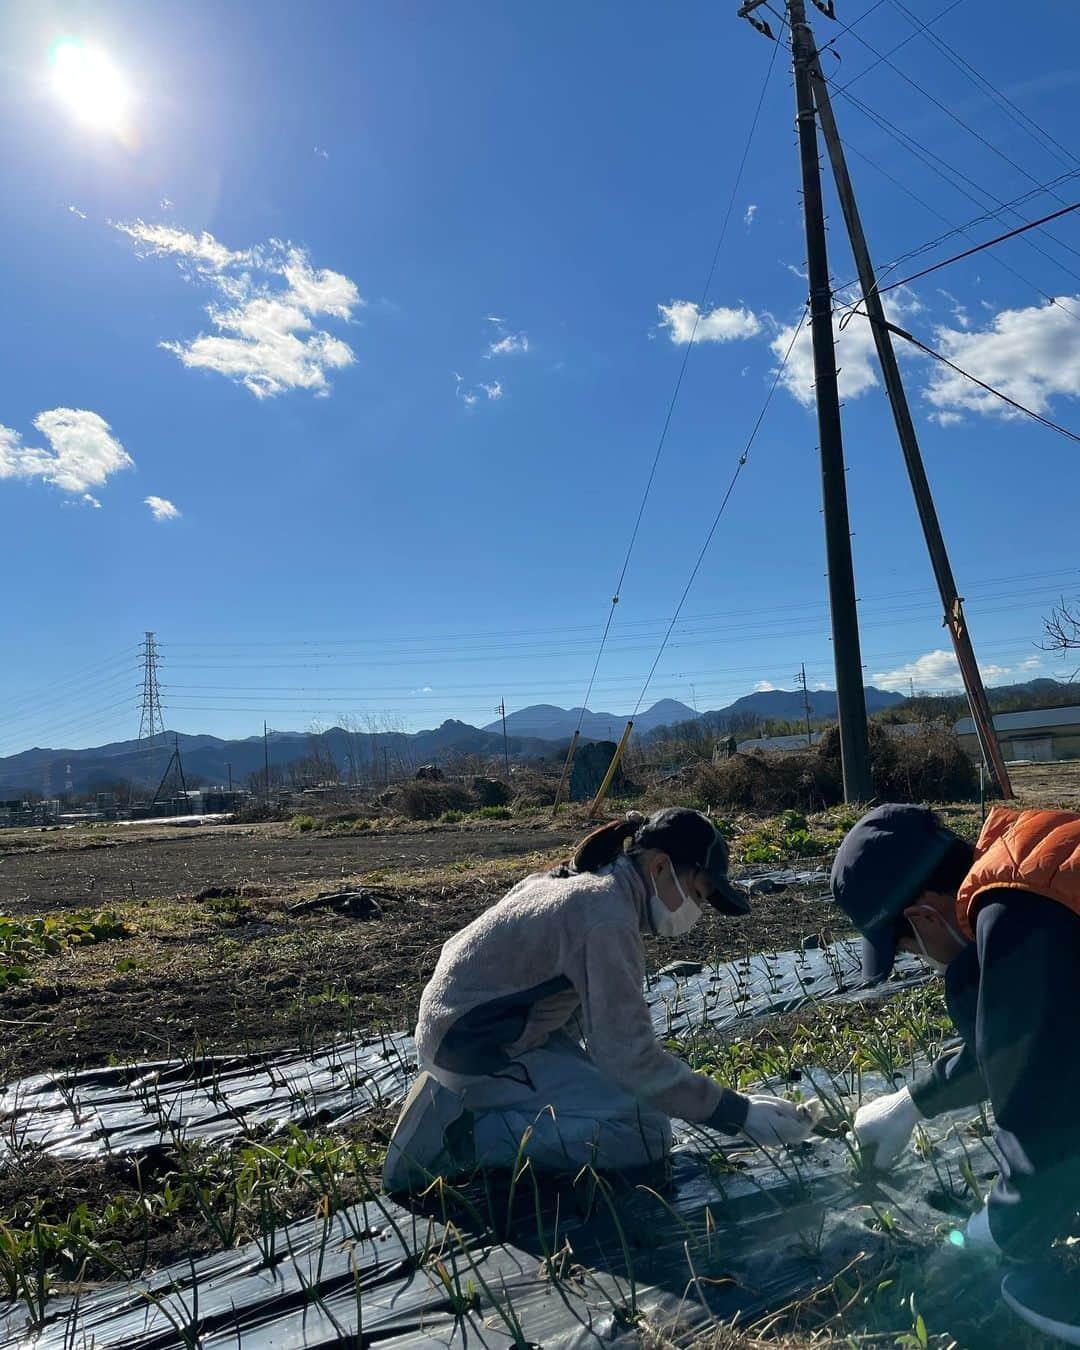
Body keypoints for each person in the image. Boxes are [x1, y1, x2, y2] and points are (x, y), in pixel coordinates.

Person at [383, 808, 818, 1193]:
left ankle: (477, 1103)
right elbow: (629, 1057)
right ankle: (459, 1137)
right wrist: (734, 1113)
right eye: (699, 895)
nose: (697, 912)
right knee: (644, 1133)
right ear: (663, 866)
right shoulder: (606, 916)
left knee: (640, 1104)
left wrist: (725, 1104)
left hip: (480, 1029)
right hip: (474, 1047)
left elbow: (596, 1036)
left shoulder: (588, 885)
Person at [830, 802, 1080, 1344]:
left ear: (921, 919)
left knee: (1030, 1286)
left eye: (908, 950)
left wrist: (983, 1238)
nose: (926, 959)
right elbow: (1032, 1038)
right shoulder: (1036, 866)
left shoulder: (1018, 919)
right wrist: (912, 1104)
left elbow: (1045, 1143)